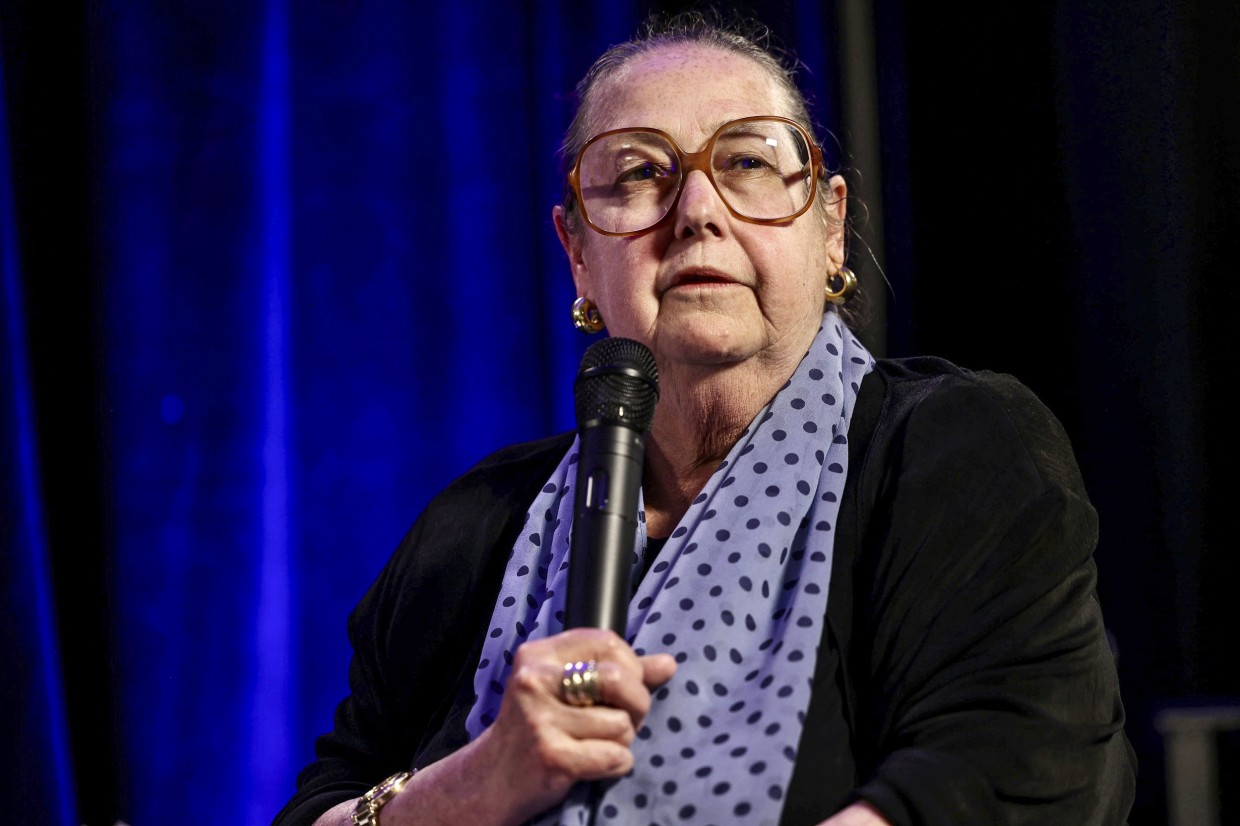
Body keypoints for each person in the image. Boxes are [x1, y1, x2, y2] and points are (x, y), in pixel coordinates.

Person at [274, 12, 1136, 826]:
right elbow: (324, 802)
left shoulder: (951, 448)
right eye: (643, 172)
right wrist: (481, 778)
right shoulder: (472, 528)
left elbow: (1017, 762)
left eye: (749, 164)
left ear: (830, 227)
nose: (697, 211)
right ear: (577, 252)